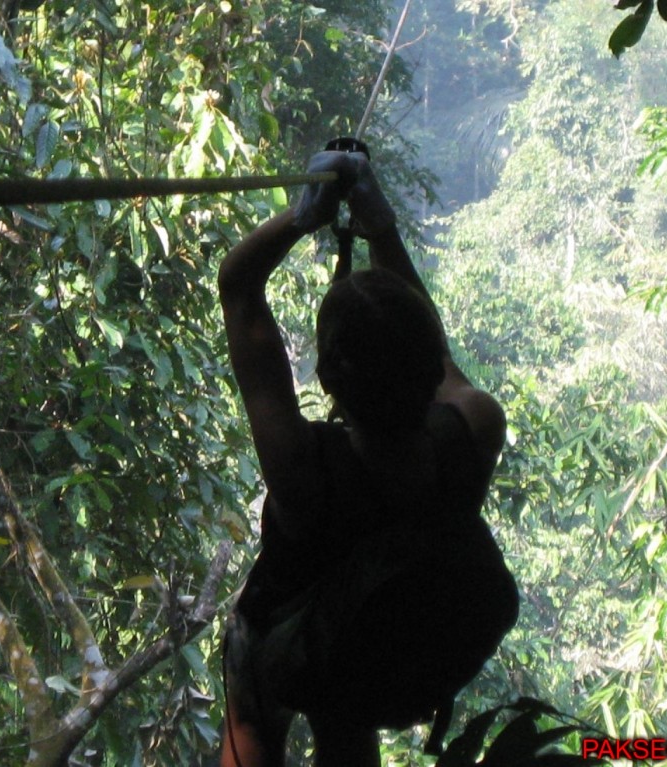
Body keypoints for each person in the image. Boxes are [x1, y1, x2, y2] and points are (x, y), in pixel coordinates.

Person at [216, 150, 518, 767]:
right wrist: (380, 229)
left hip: (302, 643)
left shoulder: (304, 470)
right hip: (388, 654)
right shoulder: (473, 432)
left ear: (326, 377)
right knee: (344, 715)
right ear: (432, 369)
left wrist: (300, 217)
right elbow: (431, 353)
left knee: (252, 706)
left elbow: (239, 288)